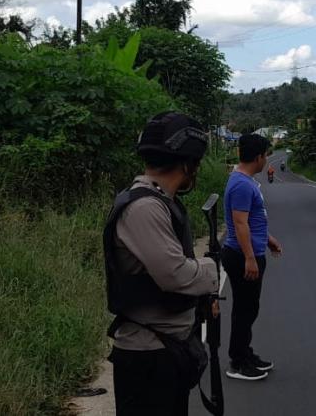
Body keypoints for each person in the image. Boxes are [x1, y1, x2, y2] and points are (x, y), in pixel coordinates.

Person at [103, 112, 219, 415]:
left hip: (166, 350)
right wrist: (210, 270)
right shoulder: (144, 207)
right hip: (149, 356)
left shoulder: (161, 201)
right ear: (187, 164)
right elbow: (175, 275)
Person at [223, 134, 283, 380]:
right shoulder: (241, 185)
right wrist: (249, 257)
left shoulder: (244, 181)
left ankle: (244, 353)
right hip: (241, 256)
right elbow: (240, 224)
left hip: (249, 252)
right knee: (244, 310)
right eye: (266, 155)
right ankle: (238, 361)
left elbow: (252, 221)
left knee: (249, 308)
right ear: (259, 157)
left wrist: (268, 239)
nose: (266, 159)